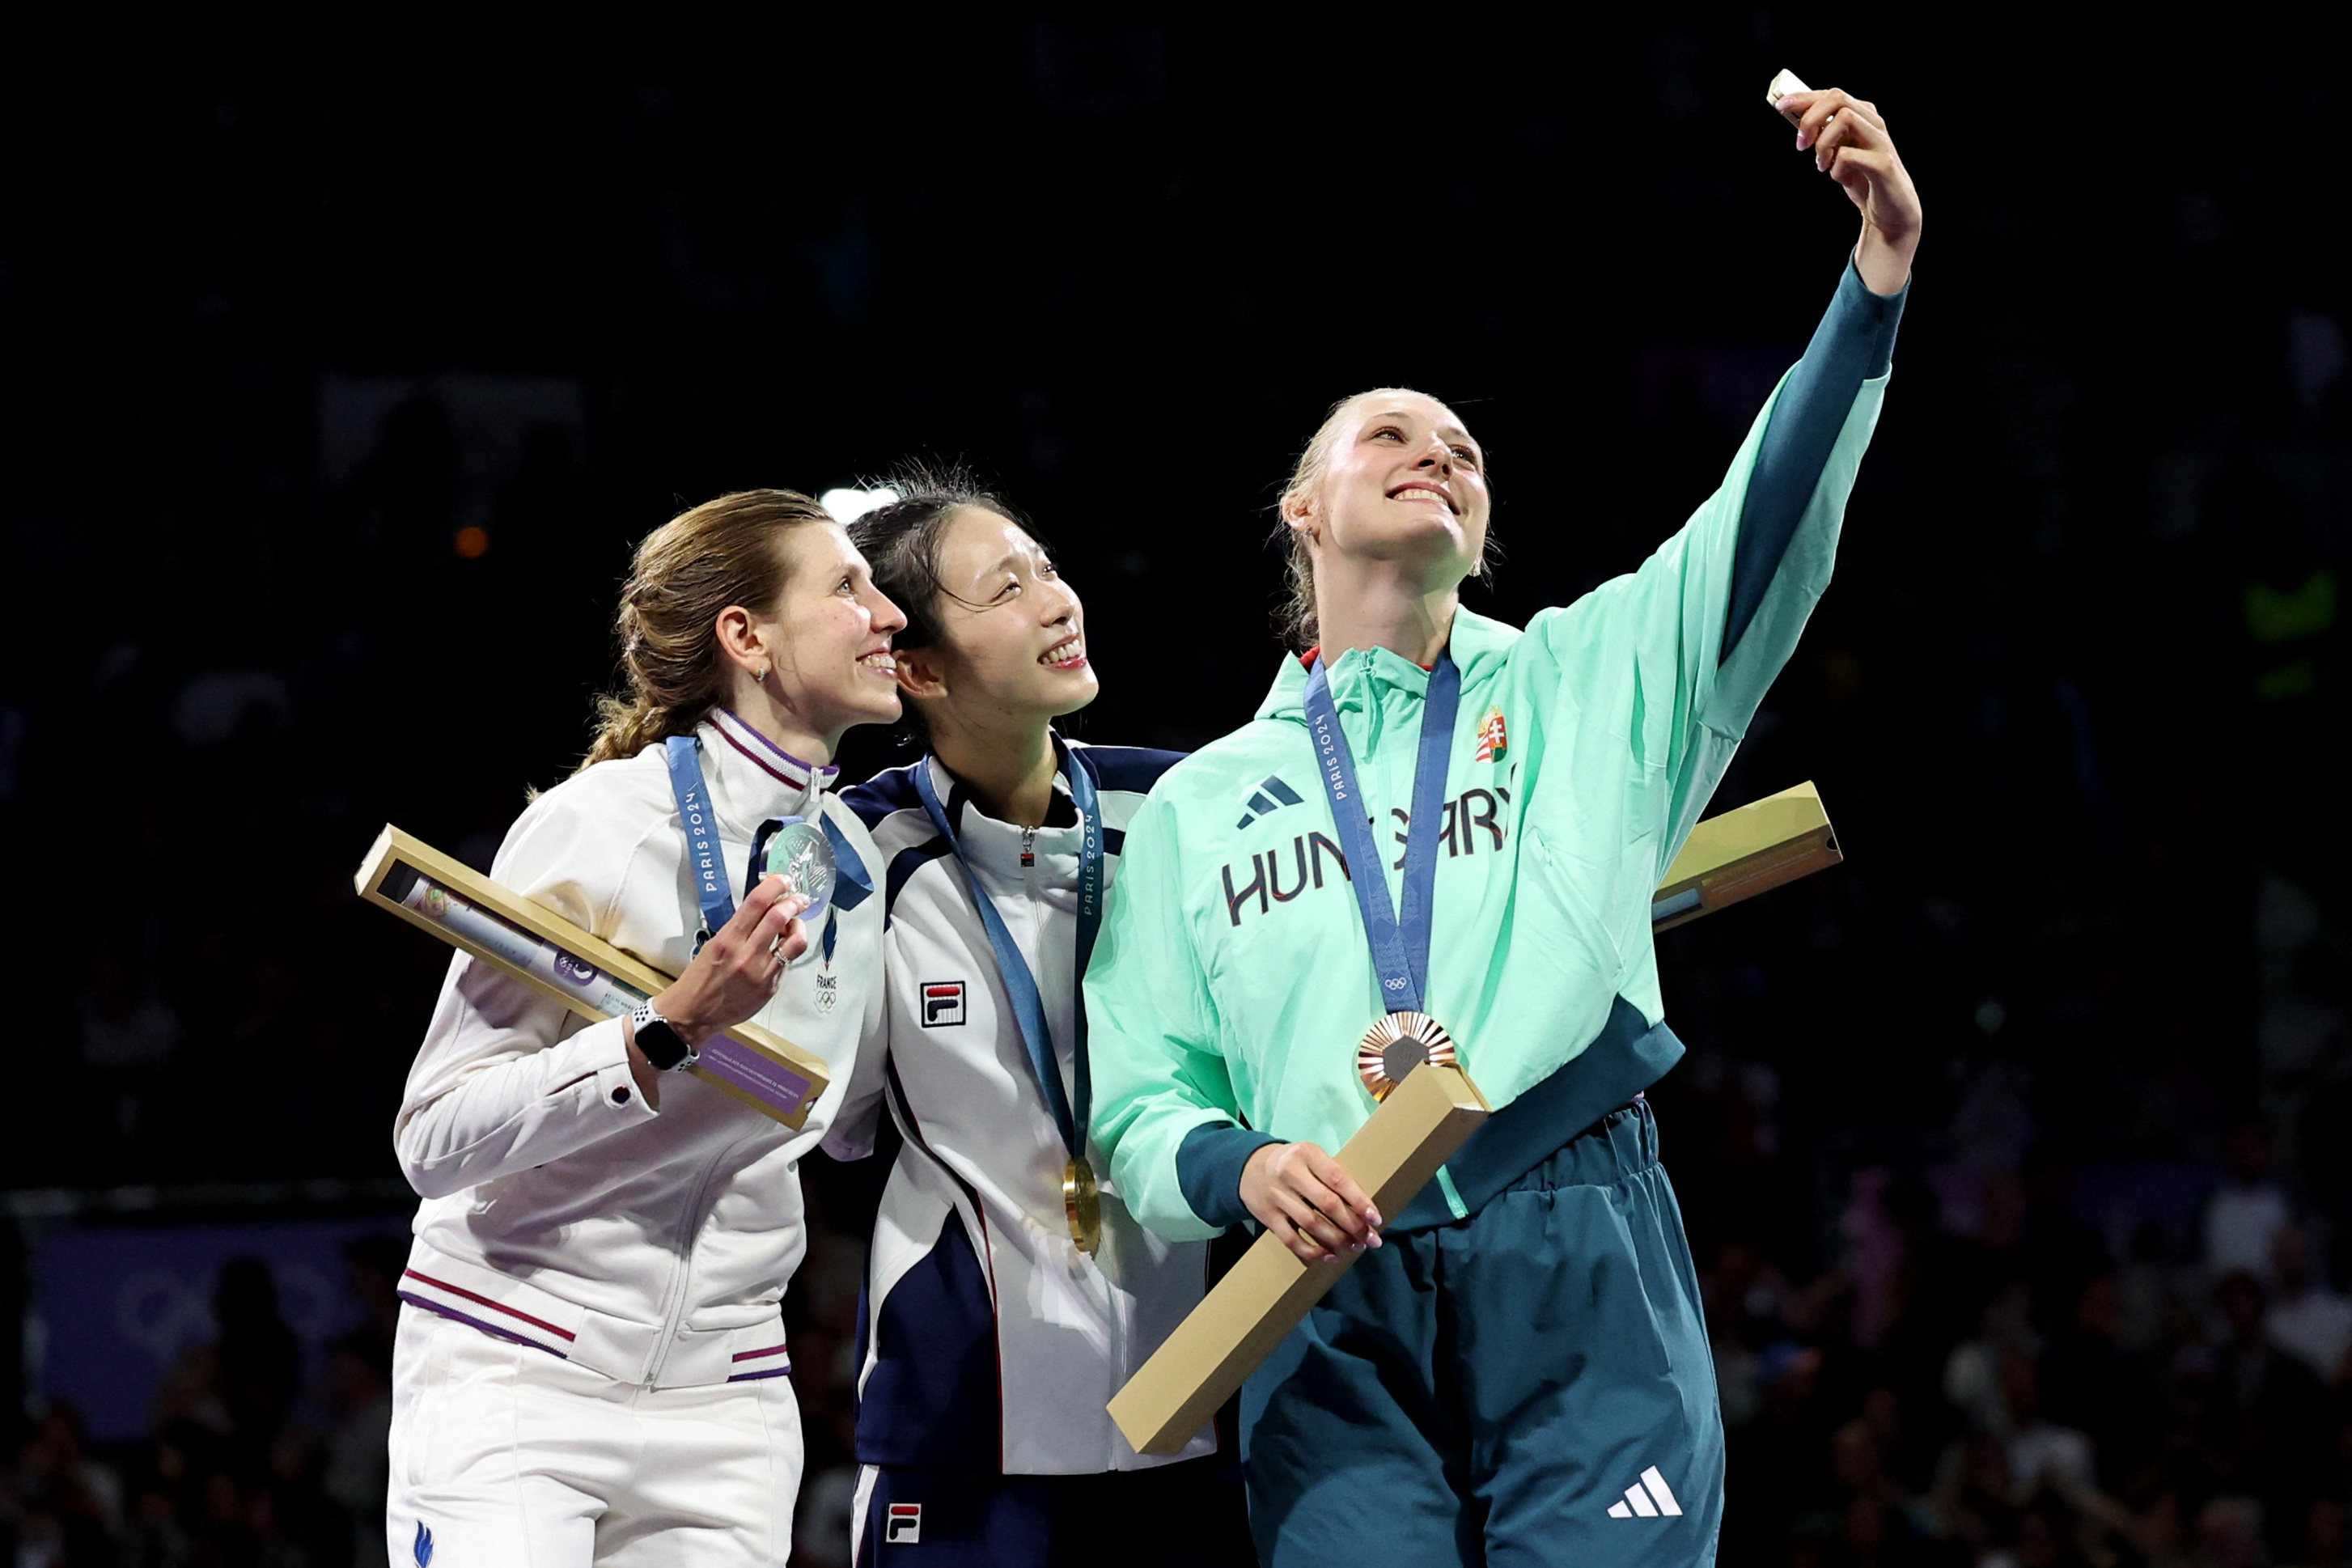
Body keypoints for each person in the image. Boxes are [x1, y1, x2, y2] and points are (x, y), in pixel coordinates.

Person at [1085, 84, 1921, 1565]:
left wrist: (1873, 285)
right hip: (1320, 1286)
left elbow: (1763, 521)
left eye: (1463, 448)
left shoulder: (1582, 685)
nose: (1439, 454)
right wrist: (1242, 1167)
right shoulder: (1200, 806)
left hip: (1575, 1229)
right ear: (1303, 509)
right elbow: (1143, 1093)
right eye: (1391, 436)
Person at [386, 489, 905, 1566]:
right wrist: (663, 1030)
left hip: (729, 1405)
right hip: (517, 1368)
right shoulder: (602, 822)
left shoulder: (854, 859)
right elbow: (433, 1140)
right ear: (745, 636)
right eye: (847, 587)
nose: (887, 613)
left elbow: (846, 1121)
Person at [824, 472, 1253, 1565]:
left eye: (1050, 569)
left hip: (1198, 1411)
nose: (1058, 600)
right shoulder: (854, 857)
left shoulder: (1184, 813)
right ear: (916, 667)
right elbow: (833, 1115)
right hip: (959, 1426)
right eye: (1006, 587)